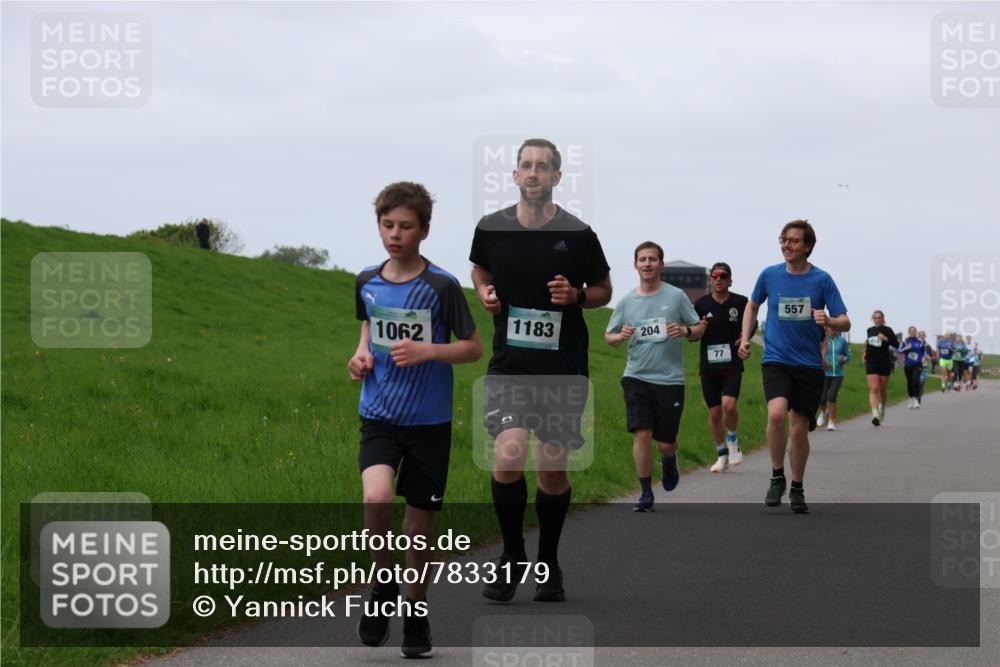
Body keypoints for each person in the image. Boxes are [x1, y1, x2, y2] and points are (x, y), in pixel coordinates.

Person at [470, 138, 612, 602]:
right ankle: (512, 555)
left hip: (562, 367)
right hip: (510, 365)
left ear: (556, 177)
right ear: (514, 175)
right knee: (508, 457)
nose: (533, 173)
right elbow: (479, 270)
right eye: (525, 166)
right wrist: (485, 292)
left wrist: (576, 296)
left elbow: (604, 290)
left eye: (542, 167)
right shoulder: (491, 229)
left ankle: (548, 562)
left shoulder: (579, 234)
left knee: (551, 470)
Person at [350, 181, 483, 658]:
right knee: (377, 496)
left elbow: (473, 348)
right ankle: (383, 586)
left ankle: (416, 610)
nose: (395, 234)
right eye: (388, 225)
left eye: (406, 226)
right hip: (379, 415)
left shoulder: (441, 286)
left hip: (429, 423)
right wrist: (360, 356)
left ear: (424, 230)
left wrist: (430, 350)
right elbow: (367, 328)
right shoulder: (366, 280)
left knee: (419, 523)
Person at [739, 220, 850, 514]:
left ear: (808, 246)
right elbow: (752, 305)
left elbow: (845, 320)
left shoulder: (822, 280)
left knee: (799, 431)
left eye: (794, 241)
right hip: (776, 358)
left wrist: (828, 320)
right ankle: (777, 476)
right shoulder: (769, 275)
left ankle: (797, 486)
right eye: (783, 240)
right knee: (776, 414)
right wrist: (744, 337)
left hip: (809, 364)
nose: (787, 245)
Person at [605, 242, 705, 510]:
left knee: (665, 442)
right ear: (635, 265)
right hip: (636, 376)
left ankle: (670, 462)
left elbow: (698, 328)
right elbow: (609, 336)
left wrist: (684, 332)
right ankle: (646, 492)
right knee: (642, 433)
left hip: (670, 380)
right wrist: (620, 336)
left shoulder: (676, 297)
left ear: (661, 264)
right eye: (642, 259)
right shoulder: (626, 301)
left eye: (652, 259)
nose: (647, 264)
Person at [692, 262, 754, 472]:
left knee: (729, 405)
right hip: (709, 364)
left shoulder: (740, 302)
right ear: (710, 280)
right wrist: (697, 329)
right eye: (715, 276)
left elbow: (752, 321)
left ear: (730, 280)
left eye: (723, 276)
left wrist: (744, 337)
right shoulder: (700, 304)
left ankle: (733, 439)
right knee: (715, 413)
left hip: (732, 362)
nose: (719, 279)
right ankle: (721, 454)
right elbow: (693, 333)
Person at [864, 311, 899, 426]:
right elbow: (871, 344)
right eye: (875, 318)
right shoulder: (870, 330)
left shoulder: (887, 330)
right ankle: (875, 415)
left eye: (879, 318)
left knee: (882, 388)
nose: (877, 320)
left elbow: (896, 344)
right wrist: (866, 345)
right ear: (872, 319)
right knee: (874, 388)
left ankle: (882, 407)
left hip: (884, 362)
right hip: (871, 361)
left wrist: (885, 338)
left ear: (883, 319)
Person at [817, 326, 851, 430]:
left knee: (831, 396)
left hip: (838, 374)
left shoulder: (842, 341)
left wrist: (844, 359)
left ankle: (831, 421)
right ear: (826, 328)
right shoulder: (822, 340)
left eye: (835, 327)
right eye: (831, 327)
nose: (833, 329)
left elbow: (847, 355)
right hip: (824, 373)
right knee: (822, 399)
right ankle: (824, 412)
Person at [898, 326, 927, 409]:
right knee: (910, 382)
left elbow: (924, 351)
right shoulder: (906, 341)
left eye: (914, 331)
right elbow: (899, 351)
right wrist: (907, 348)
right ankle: (911, 398)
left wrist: (924, 357)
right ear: (909, 332)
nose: (913, 332)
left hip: (918, 364)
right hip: (908, 364)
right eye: (911, 331)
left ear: (916, 332)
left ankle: (916, 399)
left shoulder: (920, 341)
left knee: (916, 380)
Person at [918, 330, 935, 402]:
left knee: (922, 380)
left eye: (923, 335)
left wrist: (928, 358)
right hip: (916, 365)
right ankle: (917, 396)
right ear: (918, 336)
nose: (921, 336)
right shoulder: (915, 344)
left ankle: (920, 390)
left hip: (924, 365)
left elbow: (931, 357)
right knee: (917, 380)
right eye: (920, 335)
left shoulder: (928, 346)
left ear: (925, 336)